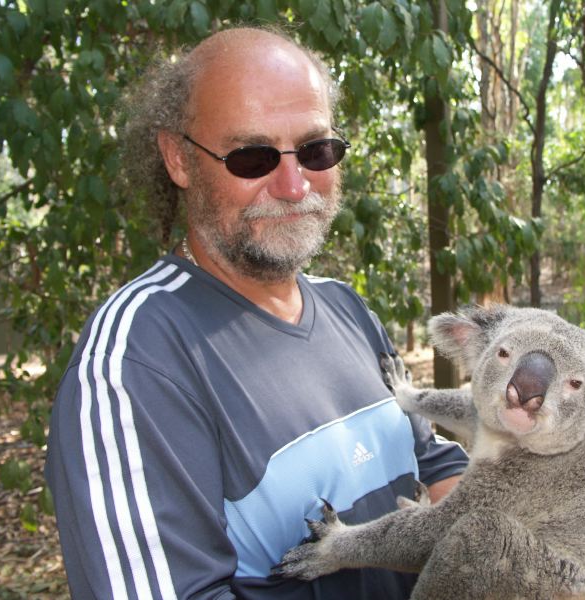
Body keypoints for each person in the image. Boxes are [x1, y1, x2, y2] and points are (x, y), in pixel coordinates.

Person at [44, 26, 468, 600]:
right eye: (252, 156)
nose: (294, 186)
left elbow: (434, 467)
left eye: (316, 150)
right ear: (178, 159)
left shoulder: (347, 308)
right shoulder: (135, 362)